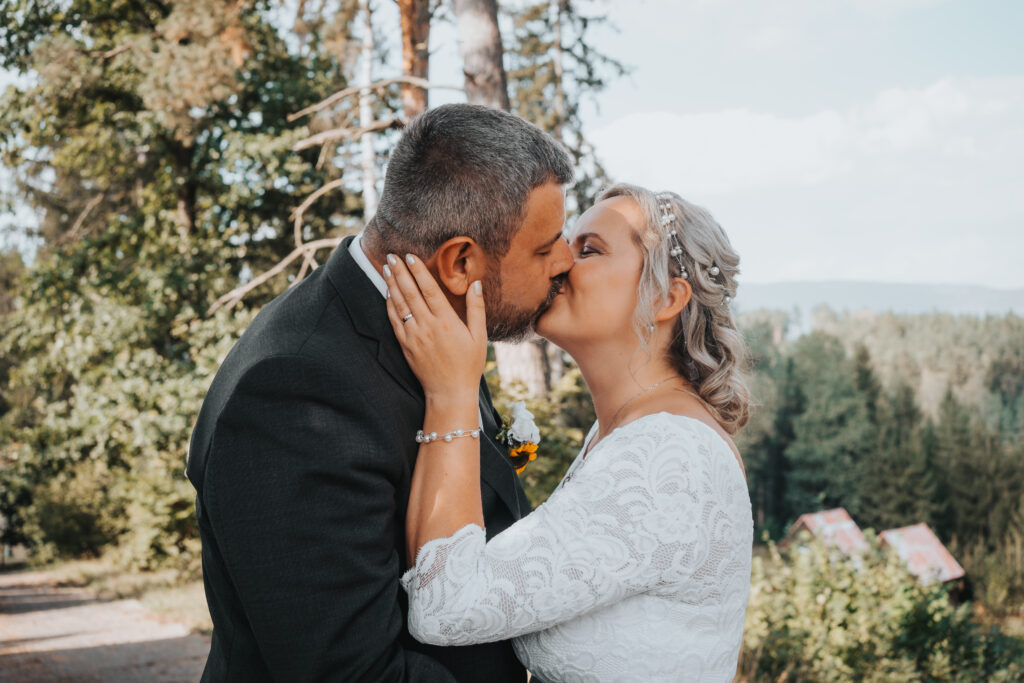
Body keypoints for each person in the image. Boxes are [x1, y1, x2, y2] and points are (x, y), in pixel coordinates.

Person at [185, 103, 575, 681]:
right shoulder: (293, 393)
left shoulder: (435, 331)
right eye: (544, 248)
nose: (566, 260)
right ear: (460, 261)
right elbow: (354, 672)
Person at [385, 183, 754, 682]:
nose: (560, 261)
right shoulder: (623, 431)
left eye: (589, 250)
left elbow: (447, 608)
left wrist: (451, 394)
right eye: (564, 242)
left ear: (666, 298)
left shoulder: (670, 453)